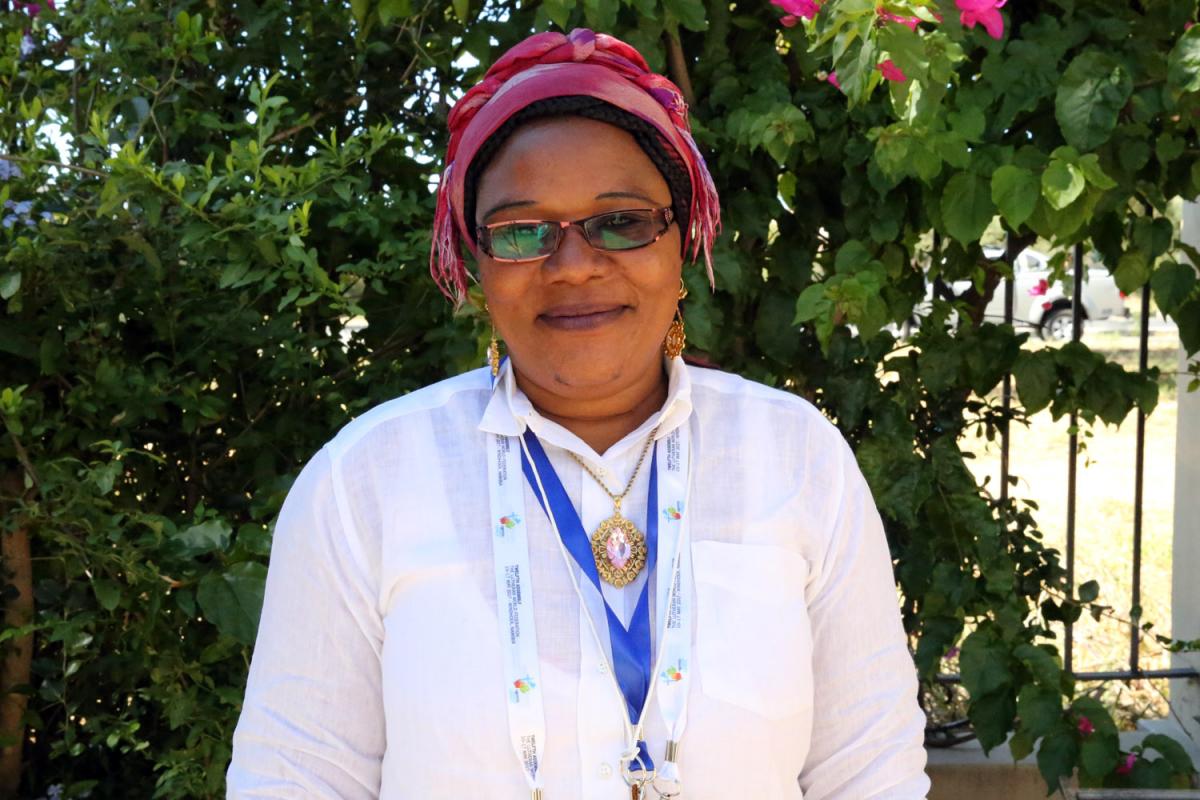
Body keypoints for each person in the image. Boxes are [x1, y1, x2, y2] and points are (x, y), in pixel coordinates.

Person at [226, 28, 930, 800]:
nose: (575, 266)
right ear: (477, 264)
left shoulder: (797, 458)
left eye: (621, 221)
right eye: (523, 231)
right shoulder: (364, 483)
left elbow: (870, 773)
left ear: (682, 241)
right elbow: (293, 778)